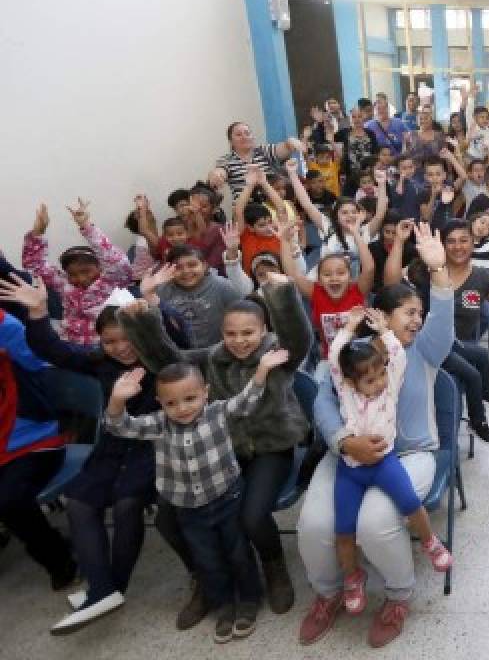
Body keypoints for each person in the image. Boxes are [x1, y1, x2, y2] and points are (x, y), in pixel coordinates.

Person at [0, 274, 194, 634]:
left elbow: (179, 342)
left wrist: (153, 304)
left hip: (155, 445)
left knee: (126, 504)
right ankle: (102, 588)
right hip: (113, 447)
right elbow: (54, 351)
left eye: (127, 339)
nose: (120, 348)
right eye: (110, 342)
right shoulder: (99, 363)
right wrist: (39, 313)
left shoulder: (159, 360)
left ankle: (107, 588)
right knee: (79, 501)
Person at [296, 225, 453, 648]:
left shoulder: (422, 350)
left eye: (419, 313)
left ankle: (398, 597)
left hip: (410, 455)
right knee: (313, 523)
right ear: (380, 318)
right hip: (347, 452)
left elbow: (443, 319)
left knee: (376, 522)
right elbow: (323, 400)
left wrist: (438, 269)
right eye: (408, 312)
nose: (417, 320)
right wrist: (345, 442)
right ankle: (330, 593)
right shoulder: (356, 354)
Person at [119, 276, 313, 617]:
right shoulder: (212, 358)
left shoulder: (276, 354)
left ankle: (274, 567)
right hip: (223, 451)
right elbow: (168, 360)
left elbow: (298, 339)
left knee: (252, 516)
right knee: (168, 518)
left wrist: (281, 292)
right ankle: (205, 578)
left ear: (264, 329)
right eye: (231, 334)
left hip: (271, 447)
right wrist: (143, 315)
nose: (239, 341)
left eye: (248, 332)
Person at [104, 350, 288, 643]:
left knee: (238, 553)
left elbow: (246, 401)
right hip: (187, 508)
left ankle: (250, 599)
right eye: (171, 403)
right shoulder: (158, 424)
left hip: (227, 497)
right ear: (160, 403)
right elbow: (120, 426)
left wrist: (263, 369)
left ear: (206, 393)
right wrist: (117, 400)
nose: (182, 408)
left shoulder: (216, 412)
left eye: (190, 399)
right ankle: (223, 605)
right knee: (208, 560)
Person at [327, 307, 451, 615]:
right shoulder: (346, 391)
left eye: (381, 373)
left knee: (411, 503)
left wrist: (384, 329)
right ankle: (353, 576)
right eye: (370, 380)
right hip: (352, 471)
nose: (379, 382)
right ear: (351, 383)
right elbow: (334, 358)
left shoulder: (389, 389)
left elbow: (397, 354)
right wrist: (351, 327)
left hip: (385, 464)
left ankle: (430, 542)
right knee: (343, 529)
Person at [399, 220, 489, 443]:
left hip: (455, 344)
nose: (458, 246)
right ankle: (479, 422)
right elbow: (390, 286)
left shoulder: (481, 277)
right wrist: (400, 242)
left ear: (472, 243)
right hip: (426, 347)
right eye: (451, 241)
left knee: (481, 355)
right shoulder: (425, 270)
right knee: (473, 374)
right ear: (443, 245)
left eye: (464, 240)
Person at [0, 306, 76, 593]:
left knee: (10, 501)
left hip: (32, 438)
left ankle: (58, 560)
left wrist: (36, 315)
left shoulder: (5, 327)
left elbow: (42, 362)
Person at [22, 199, 133, 345]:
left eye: (86, 271)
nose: (80, 278)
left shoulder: (111, 281)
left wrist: (86, 226)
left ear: (100, 266)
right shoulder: (65, 285)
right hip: (70, 343)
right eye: (72, 274)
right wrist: (38, 233)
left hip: (104, 346)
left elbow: (117, 261)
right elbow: (35, 265)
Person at [277, 216, 374, 359]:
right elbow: (293, 274)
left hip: (359, 358)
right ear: (319, 280)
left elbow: (369, 268)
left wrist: (355, 235)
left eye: (341, 273)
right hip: (330, 359)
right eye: (327, 274)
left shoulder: (357, 290)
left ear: (350, 277)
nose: (334, 278)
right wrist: (284, 241)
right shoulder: (316, 292)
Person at [143, 245, 247, 348]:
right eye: (178, 267)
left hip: (216, 352)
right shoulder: (162, 290)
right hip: (178, 352)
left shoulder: (222, 286)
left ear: (205, 265)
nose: (186, 271)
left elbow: (244, 315)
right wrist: (148, 293)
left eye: (192, 265)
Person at [210, 121, 305, 200]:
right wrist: (216, 175)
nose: (244, 137)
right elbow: (220, 171)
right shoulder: (227, 160)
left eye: (247, 133)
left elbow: (284, 147)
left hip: (272, 205)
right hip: (247, 211)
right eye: (239, 135)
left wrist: (291, 142)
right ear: (231, 141)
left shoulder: (263, 151)